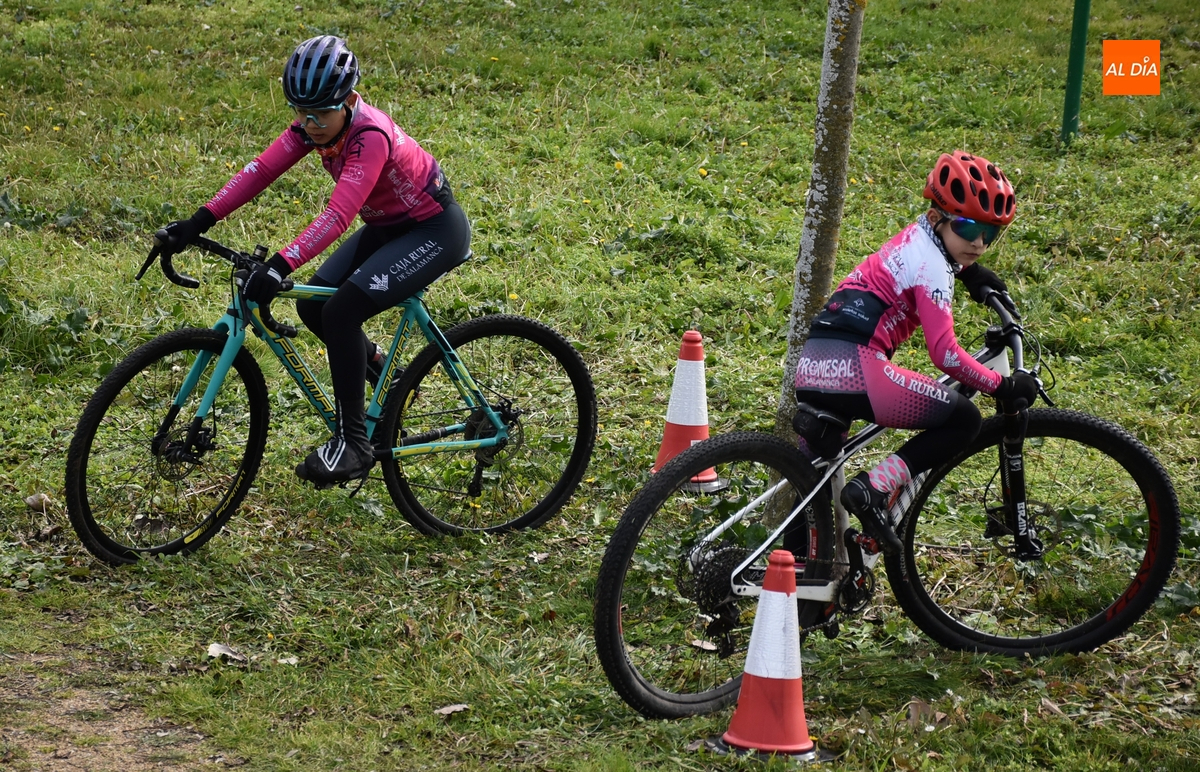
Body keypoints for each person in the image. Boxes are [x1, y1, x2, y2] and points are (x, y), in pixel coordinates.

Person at [152, 36, 471, 486]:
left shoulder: (369, 136)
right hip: (387, 226)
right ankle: (385, 372)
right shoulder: (312, 124)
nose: (310, 123)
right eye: (300, 112)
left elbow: (338, 214)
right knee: (314, 306)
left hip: (433, 230)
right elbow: (261, 170)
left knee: (341, 311)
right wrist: (197, 222)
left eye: (321, 112)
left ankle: (355, 443)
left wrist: (280, 266)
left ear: (350, 100)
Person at [793, 151, 1038, 555]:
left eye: (990, 234)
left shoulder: (918, 237)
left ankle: (801, 591)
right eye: (968, 227)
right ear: (938, 216)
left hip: (817, 362)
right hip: (859, 370)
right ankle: (871, 488)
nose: (978, 243)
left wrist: (970, 272)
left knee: (811, 489)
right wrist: (1003, 384)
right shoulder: (932, 267)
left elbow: (932, 256)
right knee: (963, 419)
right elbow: (946, 355)